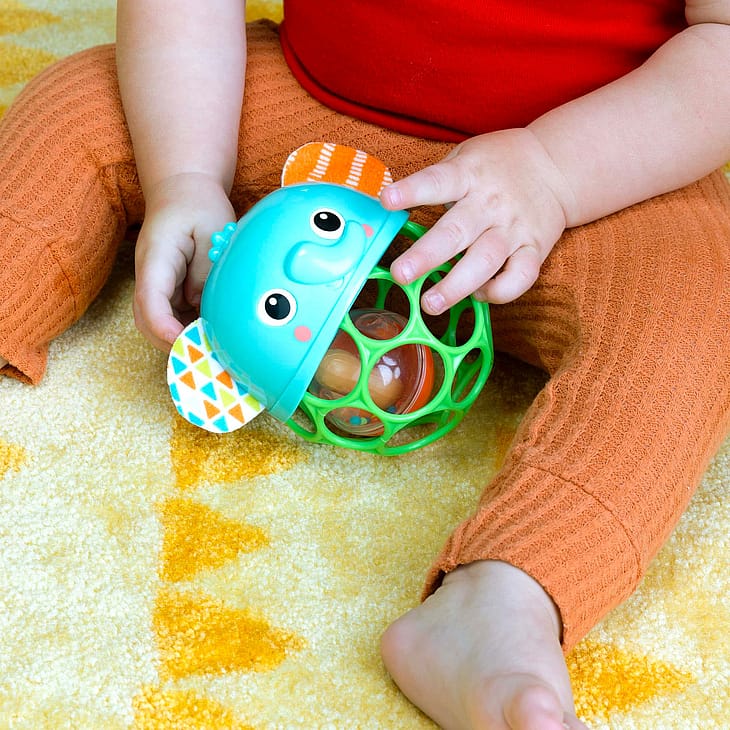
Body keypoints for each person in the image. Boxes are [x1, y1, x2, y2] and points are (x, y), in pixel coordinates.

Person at [1, 1, 729, 727]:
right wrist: (184, 175)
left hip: (594, 171)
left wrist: (552, 171)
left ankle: (506, 594)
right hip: (316, 125)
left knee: (698, 302)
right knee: (78, 111)